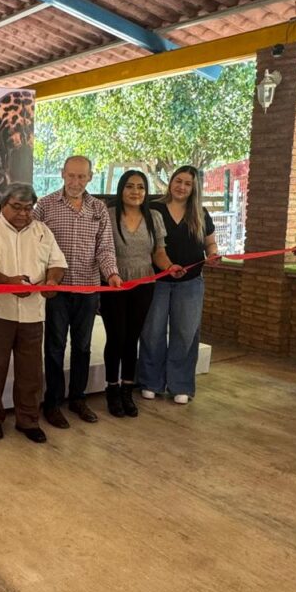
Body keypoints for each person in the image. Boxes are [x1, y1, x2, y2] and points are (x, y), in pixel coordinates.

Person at [0, 184, 67, 443]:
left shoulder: (42, 231)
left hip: (33, 312)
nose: (23, 214)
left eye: (28, 208)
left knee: (31, 371)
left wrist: (52, 281)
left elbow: (57, 263)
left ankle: (28, 419)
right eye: (17, 207)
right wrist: (8, 282)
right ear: (3, 205)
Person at [33, 155, 122, 428]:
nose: (75, 181)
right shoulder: (44, 206)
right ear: (62, 173)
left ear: (90, 177)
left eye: (81, 176)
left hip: (88, 289)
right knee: (54, 347)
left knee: (82, 347)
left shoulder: (98, 209)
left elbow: (105, 248)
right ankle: (53, 402)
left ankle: (78, 399)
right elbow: (32, 243)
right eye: (71, 175)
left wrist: (112, 274)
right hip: (56, 290)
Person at [101, 171, 183, 418]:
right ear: (121, 189)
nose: (135, 191)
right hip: (114, 283)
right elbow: (102, 250)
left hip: (144, 284)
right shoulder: (108, 214)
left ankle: (127, 389)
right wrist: (111, 275)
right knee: (116, 337)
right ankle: (112, 389)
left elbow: (158, 253)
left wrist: (169, 266)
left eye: (140, 187)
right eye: (129, 186)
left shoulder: (154, 217)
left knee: (132, 338)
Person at [137, 166, 220, 404]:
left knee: (185, 333)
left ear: (194, 188)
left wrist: (213, 254)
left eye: (187, 183)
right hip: (157, 281)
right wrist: (166, 266)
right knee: (152, 331)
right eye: (178, 181)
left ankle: (180, 385)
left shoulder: (200, 214)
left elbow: (210, 243)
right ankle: (150, 381)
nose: (181, 187)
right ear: (171, 182)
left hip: (190, 283)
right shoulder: (153, 208)